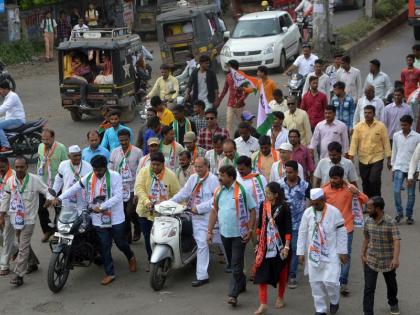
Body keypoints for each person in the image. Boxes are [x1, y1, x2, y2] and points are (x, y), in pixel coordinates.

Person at [55, 155, 137, 285]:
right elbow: (74, 188)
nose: (97, 173)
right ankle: (110, 273)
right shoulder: (89, 177)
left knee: (121, 243)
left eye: (99, 170)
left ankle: (130, 257)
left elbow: (118, 196)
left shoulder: (115, 176)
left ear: (105, 168)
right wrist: (59, 198)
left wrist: (102, 206)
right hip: (99, 219)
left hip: (115, 217)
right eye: (95, 170)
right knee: (104, 245)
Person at [207, 165, 257, 307]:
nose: (219, 178)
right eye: (219, 175)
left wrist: (251, 230)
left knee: (236, 263)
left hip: (239, 234)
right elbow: (214, 212)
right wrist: (209, 231)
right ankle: (241, 283)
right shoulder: (218, 191)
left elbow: (253, 210)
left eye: (222, 175)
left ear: (231, 177)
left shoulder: (242, 191)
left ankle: (233, 294)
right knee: (233, 263)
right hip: (224, 233)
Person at [0, 156, 53, 286]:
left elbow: (47, 190)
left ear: (27, 167)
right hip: (14, 218)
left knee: (22, 246)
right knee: (21, 241)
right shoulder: (11, 181)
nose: (19, 169)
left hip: (28, 219)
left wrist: (49, 199)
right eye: (17, 167)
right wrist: (1, 215)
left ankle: (19, 275)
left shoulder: (35, 180)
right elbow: (6, 198)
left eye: (21, 167)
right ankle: (33, 263)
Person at [296, 188, 348, 315]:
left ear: (323, 199)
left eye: (317, 203)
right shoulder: (308, 213)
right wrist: (300, 253)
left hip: (331, 252)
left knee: (332, 282)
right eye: (312, 203)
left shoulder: (334, 212)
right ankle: (320, 309)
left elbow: (342, 231)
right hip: (314, 253)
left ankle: (334, 300)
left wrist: (343, 251)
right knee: (316, 283)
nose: (314, 206)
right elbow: (302, 232)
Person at [171, 157, 219, 287]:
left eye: (200, 167)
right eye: (196, 167)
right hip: (191, 214)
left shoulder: (213, 180)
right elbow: (183, 193)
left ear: (207, 166)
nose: (197, 169)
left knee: (204, 243)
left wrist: (199, 208)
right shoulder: (193, 178)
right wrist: (169, 202)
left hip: (207, 217)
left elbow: (215, 200)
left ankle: (202, 276)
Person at [322, 166, 368, 296]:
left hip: (346, 228)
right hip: (329, 229)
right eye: (331, 178)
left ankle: (343, 283)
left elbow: (366, 200)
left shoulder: (350, 189)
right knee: (330, 254)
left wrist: (357, 192)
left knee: (345, 255)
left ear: (342, 178)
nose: (333, 181)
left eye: (336, 178)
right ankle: (332, 280)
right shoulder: (324, 190)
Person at [135, 152, 180, 268]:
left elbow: (176, 193)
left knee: (162, 237)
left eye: (158, 165)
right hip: (145, 212)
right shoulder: (144, 171)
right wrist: (147, 202)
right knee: (148, 237)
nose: (155, 167)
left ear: (163, 164)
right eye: (153, 164)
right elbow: (139, 188)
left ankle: (164, 258)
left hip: (163, 214)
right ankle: (152, 260)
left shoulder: (171, 175)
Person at [254, 182, 292, 314]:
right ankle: (263, 303)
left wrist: (286, 247)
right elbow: (260, 226)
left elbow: (288, 228)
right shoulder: (263, 206)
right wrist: (258, 243)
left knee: (281, 272)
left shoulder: (284, 207)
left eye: (269, 193)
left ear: (276, 194)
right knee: (261, 273)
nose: (266, 195)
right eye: (265, 193)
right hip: (266, 245)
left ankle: (280, 297)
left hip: (280, 246)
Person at [362, 196, 401, 315]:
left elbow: (396, 240)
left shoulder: (390, 222)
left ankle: (393, 302)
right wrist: (362, 254)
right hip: (371, 259)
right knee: (369, 288)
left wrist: (395, 258)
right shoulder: (368, 221)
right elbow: (367, 238)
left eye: (369, 208)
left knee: (391, 285)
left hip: (387, 261)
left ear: (377, 209)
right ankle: (368, 312)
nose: (367, 210)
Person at [278, 160, 310, 289]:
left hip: (298, 222)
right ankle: (281, 273)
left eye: (290, 172)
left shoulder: (305, 185)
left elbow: (312, 200)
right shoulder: (280, 185)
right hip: (282, 222)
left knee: (295, 248)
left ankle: (292, 275)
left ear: (297, 172)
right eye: (286, 172)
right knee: (282, 248)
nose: (288, 174)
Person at [349, 105, 391, 198]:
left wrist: (389, 158)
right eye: (365, 113)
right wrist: (351, 158)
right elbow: (354, 143)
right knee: (365, 181)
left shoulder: (381, 126)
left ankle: (377, 202)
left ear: (374, 114)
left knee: (374, 180)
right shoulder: (358, 126)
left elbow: (386, 142)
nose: (367, 115)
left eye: (369, 113)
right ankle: (367, 202)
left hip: (377, 158)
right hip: (363, 158)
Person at [109, 129, 143, 242]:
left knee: (130, 211)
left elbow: (141, 170)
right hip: (119, 188)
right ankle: (127, 237)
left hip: (132, 186)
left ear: (130, 139)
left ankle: (138, 226)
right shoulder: (114, 152)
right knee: (123, 213)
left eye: (126, 140)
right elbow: (111, 168)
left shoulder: (138, 152)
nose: (123, 142)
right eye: (121, 140)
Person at [37, 129, 67, 242]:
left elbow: (66, 166)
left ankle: (57, 232)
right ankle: (48, 230)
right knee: (41, 209)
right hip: (43, 185)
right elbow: (40, 163)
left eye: (47, 139)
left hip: (57, 186)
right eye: (43, 139)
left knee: (58, 210)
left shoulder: (61, 148)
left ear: (53, 137)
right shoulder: (40, 147)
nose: (45, 141)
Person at [391, 115, 420, 225]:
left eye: (405, 125)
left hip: (411, 169)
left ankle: (409, 215)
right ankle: (399, 213)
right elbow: (394, 151)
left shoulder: (417, 137)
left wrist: (418, 170)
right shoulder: (396, 136)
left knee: (411, 194)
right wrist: (393, 166)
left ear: (410, 124)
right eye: (401, 124)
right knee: (396, 191)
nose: (402, 127)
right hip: (399, 166)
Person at [52, 145, 92, 210]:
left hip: (82, 202)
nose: (78, 158)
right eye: (75, 156)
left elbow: (91, 186)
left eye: (79, 155)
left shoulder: (88, 167)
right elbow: (58, 180)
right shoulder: (63, 165)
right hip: (67, 201)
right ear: (69, 156)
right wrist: (53, 195)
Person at [216, 60, 249, 135]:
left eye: (229, 66)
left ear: (233, 67)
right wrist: (219, 100)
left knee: (242, 124)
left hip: (240, 105)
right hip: (230, 104)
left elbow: (247, 91)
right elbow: (224, 90)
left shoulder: (241, 76)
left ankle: (243, 138)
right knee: (229, 122)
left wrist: (240, 100)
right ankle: (229, 140)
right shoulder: (228, 76)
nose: (227, 67)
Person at [0, 157, 16, 276]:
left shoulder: (13, 176)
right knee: (4, 238)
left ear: (7, 165)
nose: (0, 169)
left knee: (6, 237)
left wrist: (3, 213)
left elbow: (10, 197)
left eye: (2, 167)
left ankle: (4, 265)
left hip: (10, 211)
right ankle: (16, 250)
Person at [0, 81, 26, 153]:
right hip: (10, 118)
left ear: (5, 89)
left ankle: (6, 146)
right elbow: (2, 107)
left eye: (1, 89)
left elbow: (5, 107)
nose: (0, 91)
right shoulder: (8, 96)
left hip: (17, 120)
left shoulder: (13, 96)